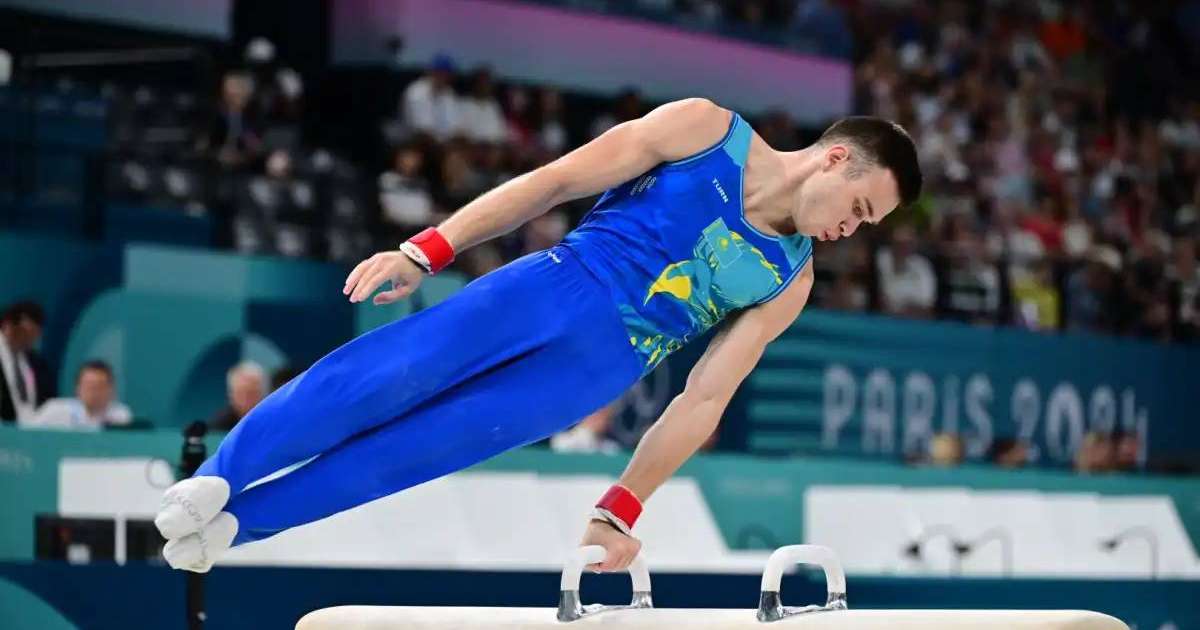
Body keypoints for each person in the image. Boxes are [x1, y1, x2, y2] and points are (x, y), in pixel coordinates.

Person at [155, 99, 921, 573]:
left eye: (866, 226)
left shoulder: (789, 280)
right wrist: (428, 249)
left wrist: (620, 509)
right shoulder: (707, 131)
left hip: (596, 371)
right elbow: (554, 180)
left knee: (414, 454)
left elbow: (703, 399)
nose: (850, 232)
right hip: (553, 285)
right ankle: (226, 472)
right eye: (859, 208)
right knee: (387, 375)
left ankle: (240, 525)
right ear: (834, 158)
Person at [27, 360, 132, 430]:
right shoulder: (54, 409)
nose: (94, 392)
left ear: (111, 390)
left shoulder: (121, 415)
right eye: (89, 386)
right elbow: (28, 435)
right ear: (77, 388)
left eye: (100, 387)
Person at [0, 301, 51, 424]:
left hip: (29, 430)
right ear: (8, 326)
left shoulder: (36, 363)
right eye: (26, 332)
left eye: (35, 334)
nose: (31, 339)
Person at [207, 361, 267, 432]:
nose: (245, 400)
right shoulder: (218, 425)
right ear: (230, 395)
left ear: (263, 393)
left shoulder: (274, 418)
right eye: (240, 393)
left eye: (252, 393)